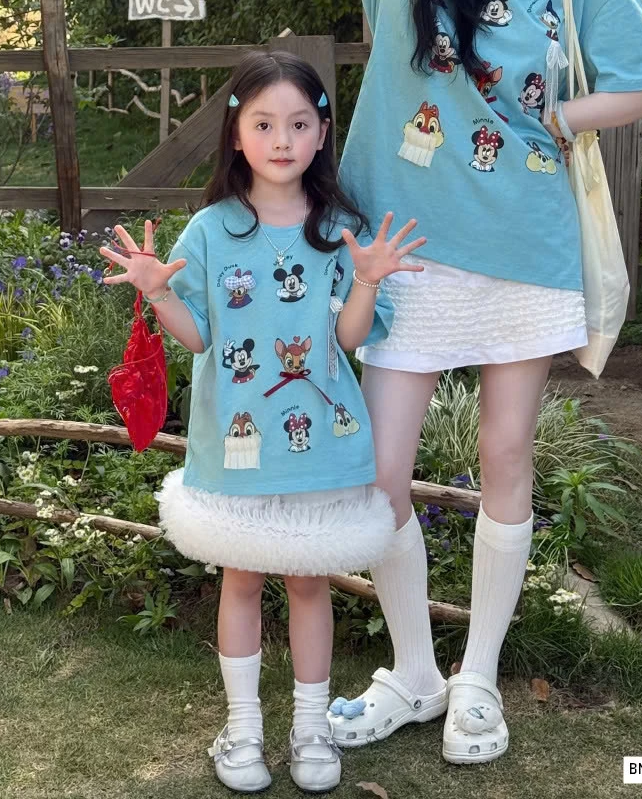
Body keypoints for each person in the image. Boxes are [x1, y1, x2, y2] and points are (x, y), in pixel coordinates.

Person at [181, 0, 642, 766]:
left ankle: (479, 684)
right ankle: (414, 672)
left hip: (524, 245)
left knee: (506, 460)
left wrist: (568, 114)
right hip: (396, 247)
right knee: (380, 477)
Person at [100, 50, 425, 793]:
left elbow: (349, 340)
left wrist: (366, 280)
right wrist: (157, 292)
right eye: (264, 123)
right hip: (236, 444)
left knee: (309, 583)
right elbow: (199, 338)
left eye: (299, 124)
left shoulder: (341, 228)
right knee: (241, 578)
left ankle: (312, 732)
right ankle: (243, 729)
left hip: (322, 444)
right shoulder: (209, 231)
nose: (283, 139)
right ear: (236, 133)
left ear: (322, 133)